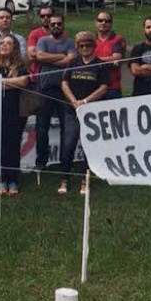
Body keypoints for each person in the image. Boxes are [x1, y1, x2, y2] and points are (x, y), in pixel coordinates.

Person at [60, 32, 109, 196]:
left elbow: (103, 88)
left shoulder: (100, 65)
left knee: (88, 147)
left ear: (94, 46)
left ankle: (84, 180)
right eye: (81, 46)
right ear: (77, 47)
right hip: (71, 110)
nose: (85, 48)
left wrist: (85, 101)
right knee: (68, 144)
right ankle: (64, 178)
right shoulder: (72, 63)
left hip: (91, 112)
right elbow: (64, 83)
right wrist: (74, 101)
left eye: (88, 45)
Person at [0, 35, 29, 197]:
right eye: (2, 43)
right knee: (1, 145)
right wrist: (11, 82)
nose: (4, 45)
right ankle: (1, 179)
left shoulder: (21, 65)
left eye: (9, 43)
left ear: (15, 47)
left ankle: (13, 180)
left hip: (17, 111)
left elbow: (24, 82)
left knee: (13, 145)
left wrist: (1, 82)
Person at [33, 14, 76, 170]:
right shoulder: (43, 40)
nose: (56, 26)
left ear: (63, 25)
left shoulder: (70, 42)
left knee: (66, 127)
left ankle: (65, 162)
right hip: (45, 89)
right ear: (49, 26)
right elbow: (39, 56)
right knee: (42, 127)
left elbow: (71, 60)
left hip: (65, 90)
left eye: (59, 23)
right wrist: (61, 57)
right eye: (53, 24)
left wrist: (49, 59)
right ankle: (41, 162)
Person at [94, 10, 127, 100]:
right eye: (100, 20)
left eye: (107, 21)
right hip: (94, 87)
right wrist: (108, 60)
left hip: (112, 88)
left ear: (111, 23)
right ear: (95, 22)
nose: (103, 23)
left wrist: (94, 61)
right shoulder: (91, 40)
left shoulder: (117, 39)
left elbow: (116, 58)